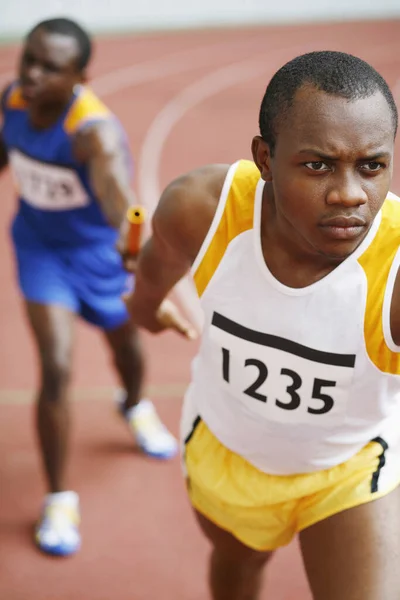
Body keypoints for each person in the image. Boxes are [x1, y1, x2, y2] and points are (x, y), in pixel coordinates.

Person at [126, 50, 400, 599]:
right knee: (237, 569)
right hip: (226, 451)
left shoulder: (392, 268)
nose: (350, 194)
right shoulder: (201, 210)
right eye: (317, 165)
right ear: (265, 159)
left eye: (371, 165)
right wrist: (147, 311)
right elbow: (147, 288)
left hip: (345, 469)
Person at [0, 17, 178, 557]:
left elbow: (117, 198)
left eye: (49, 67)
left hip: (99, 258)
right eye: (28, 58)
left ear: (80, 75)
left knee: (126, 346)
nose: (31, 74)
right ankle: (59, 498)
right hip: (39, 249)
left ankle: (135, 404)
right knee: (55, 366)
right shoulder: (12, 101)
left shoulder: (92, 132)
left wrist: (137, 253)